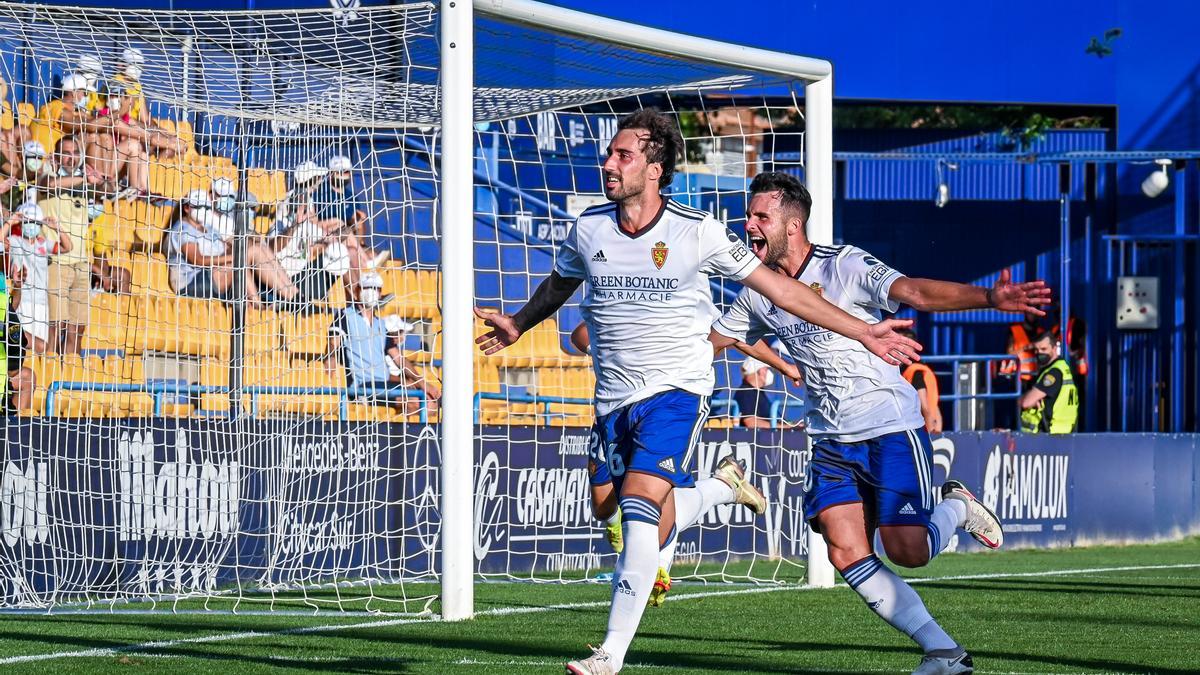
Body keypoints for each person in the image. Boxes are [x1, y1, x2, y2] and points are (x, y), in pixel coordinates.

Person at [472, 110, 922, 675]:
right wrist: (519, 321)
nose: (608, 163)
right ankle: (719, 488)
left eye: (623, 155)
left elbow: (781, 292)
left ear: (655, 168)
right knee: (616, 514)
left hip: (676, 392)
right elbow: (561, 283)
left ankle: (611, 652)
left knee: (638, 511)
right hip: (612, 399)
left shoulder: (698, 232)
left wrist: (861, 330)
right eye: (610, 153)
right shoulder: (589, 228)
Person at [709, 171, 1052, 675]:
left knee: (908, 551)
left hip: (887, 425)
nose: (749, 225)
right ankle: (944, 652)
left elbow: (913, 291)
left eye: (762, 216)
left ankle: (955, 506)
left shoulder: (844, 265)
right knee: (844, 550)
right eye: (749, 215)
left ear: (794, 224)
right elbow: (719, 339)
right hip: (828, 437)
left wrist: (988, 299)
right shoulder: (758, 292)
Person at [326, 273, 435, 415]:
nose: (371, 292)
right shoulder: (345, 316)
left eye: (375, 288)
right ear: (358, 290)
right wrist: (329, 367)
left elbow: (399, 359)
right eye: (367, 288)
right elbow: (333, 343)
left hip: (384, 383)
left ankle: (404, 430)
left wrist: (422, 383)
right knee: (415, 401)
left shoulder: (380, 324)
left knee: (430, 400)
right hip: (363, 386)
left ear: (380, 292)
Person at [166, 189, 298, 306]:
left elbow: (226, 248)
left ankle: (294, 294)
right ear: (187, 208)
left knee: (257, 248)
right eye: (198, 206)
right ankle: (259, 304)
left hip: (213, 274)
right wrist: (236, 256)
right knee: (240, 261)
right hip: (191, 282)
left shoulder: (208, 228)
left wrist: (243, 245)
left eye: (206, 207)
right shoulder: (182, 229)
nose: (203, 210)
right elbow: (197, 260)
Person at [2, 203, 71, 354]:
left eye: (35, 222)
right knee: (22, 346)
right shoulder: (14, 241)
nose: (31, 226)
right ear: (21, 223)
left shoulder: (43, 244)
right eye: (28, 222)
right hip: (21, 302)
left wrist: (57, 228)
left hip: (41, 303)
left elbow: (68, 247)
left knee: (41, 348)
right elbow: (1, 241)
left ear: (40, 224)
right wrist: (10, 222)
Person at [1019, 331, 1079, 434]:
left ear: (1054, 348)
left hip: (1052, 434)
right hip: (1063, 432)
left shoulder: (1053, 373)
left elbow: (1026, 403)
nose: (1039, 353)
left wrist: (1028, 398)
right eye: (1036, 350)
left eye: (1043, 349)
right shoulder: (1062, 367)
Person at [900, 329, 943, 434]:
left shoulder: (915, 371)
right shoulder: (921, 367)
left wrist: (929, 432)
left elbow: (924, 406)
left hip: (926, 428)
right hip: (934, 426)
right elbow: (934, 405)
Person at [734, 356, 776, 428]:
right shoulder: (745, 392)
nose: (768, 372)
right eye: (766, 369)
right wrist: (784, 427)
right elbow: (751, 422)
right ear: (759, 371)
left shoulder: (759, 392)